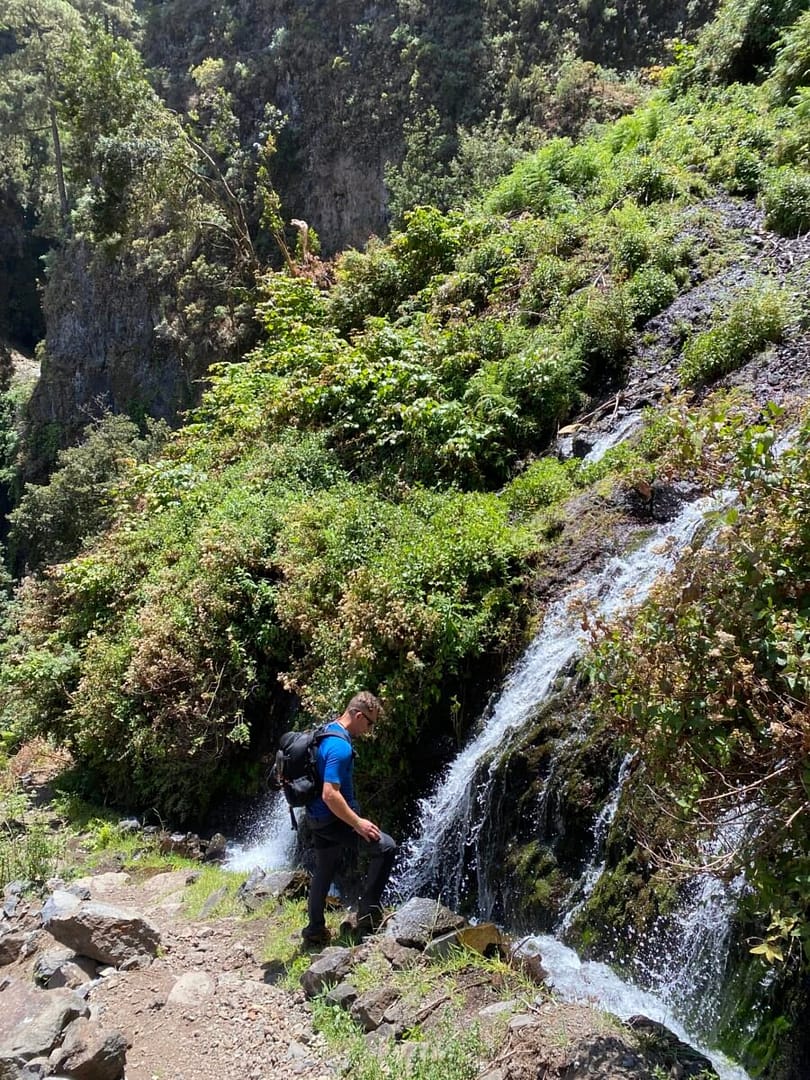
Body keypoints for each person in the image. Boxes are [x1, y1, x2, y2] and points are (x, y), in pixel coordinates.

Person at [301, 690, 397, 946]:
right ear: (357, 715)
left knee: (325, 868)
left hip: (315, 817)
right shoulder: (340, 747)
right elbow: (330, 794)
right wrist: (357, 823)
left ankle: (315, 929)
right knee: (386, 847)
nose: (369, 729)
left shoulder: (326, 730)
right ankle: (367, 917)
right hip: (332, 819)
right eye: (369, 722)